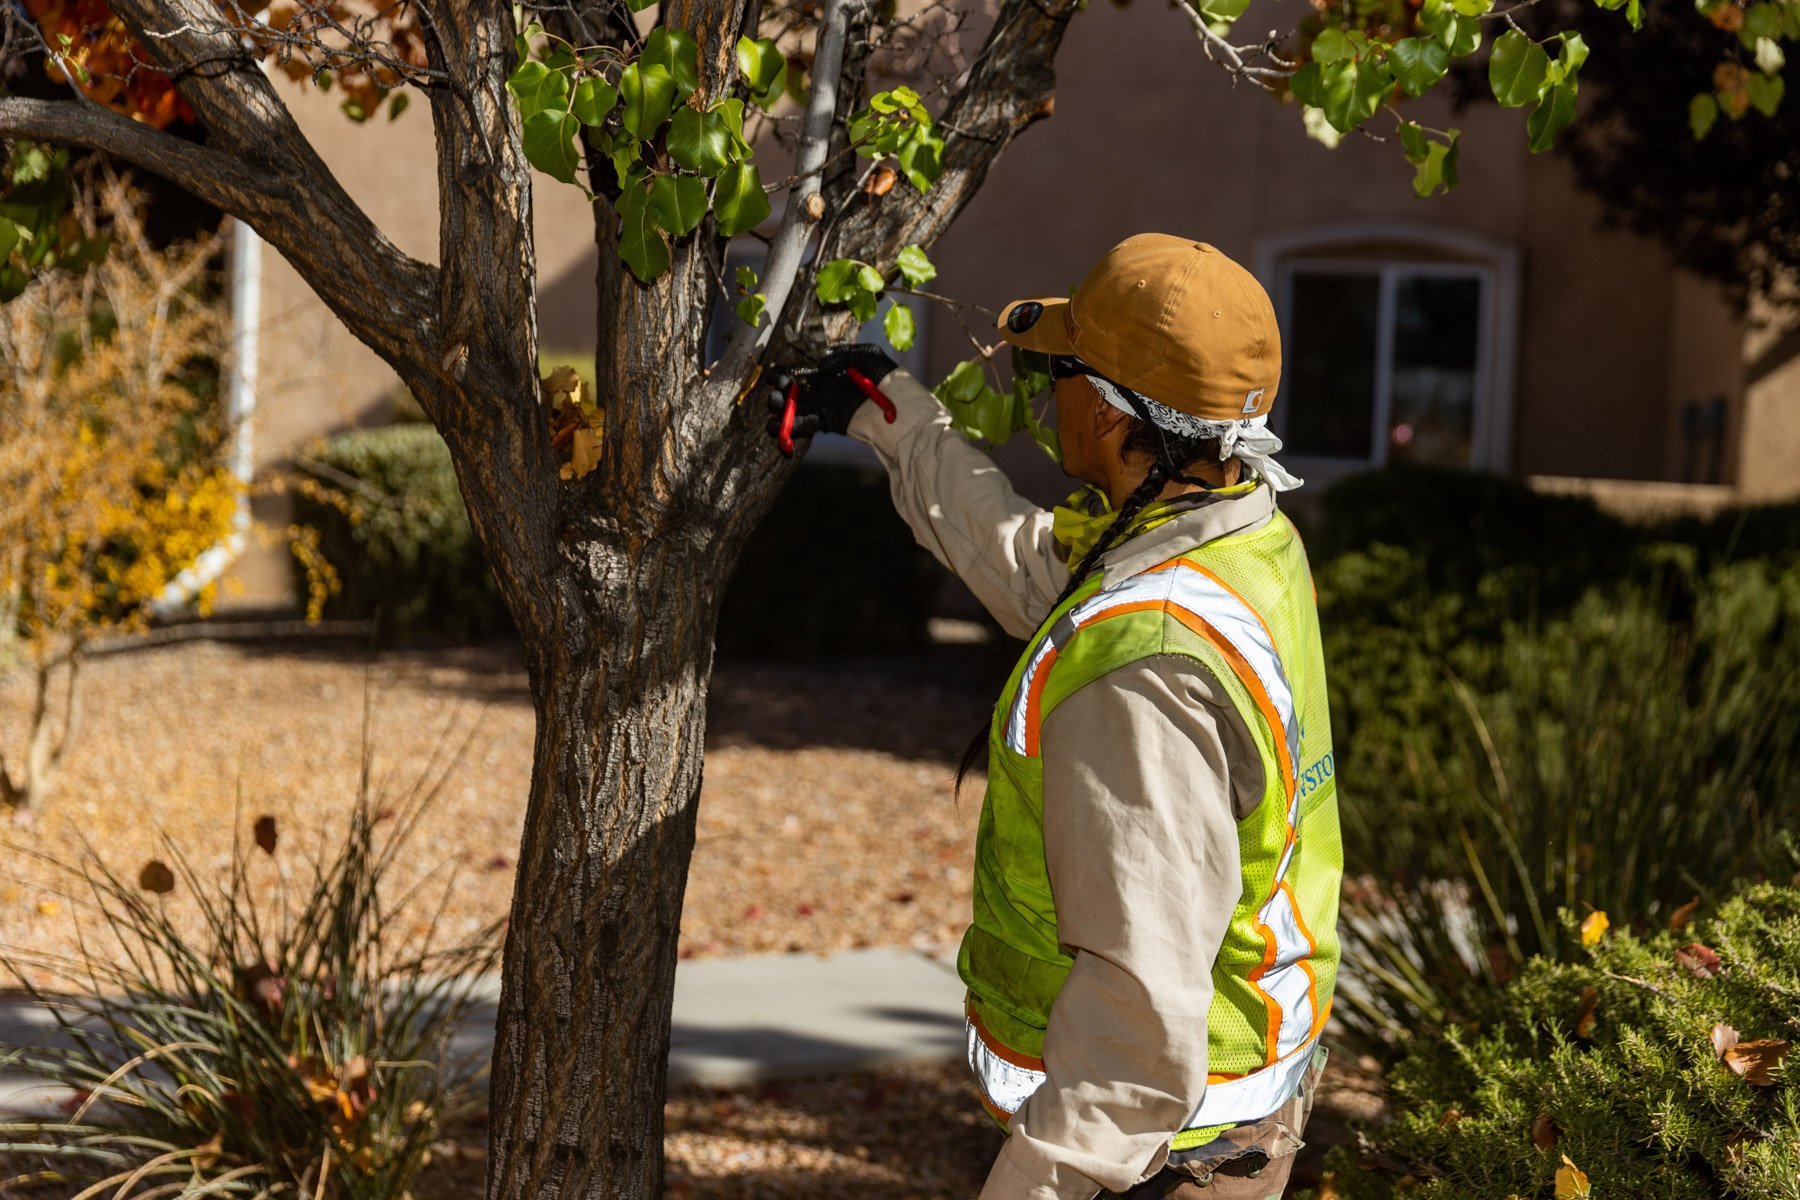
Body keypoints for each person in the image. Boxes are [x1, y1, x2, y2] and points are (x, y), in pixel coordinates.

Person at [764, 233, 1342, 1200]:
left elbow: (1136, 1033)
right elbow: (1039, 569)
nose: (1048, 389)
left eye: (1062, 370)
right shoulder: (1237, 538)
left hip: (1158, 1159)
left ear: (1110, 414)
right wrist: (892, 417)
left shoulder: (1143, 672)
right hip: (1223, 1110)